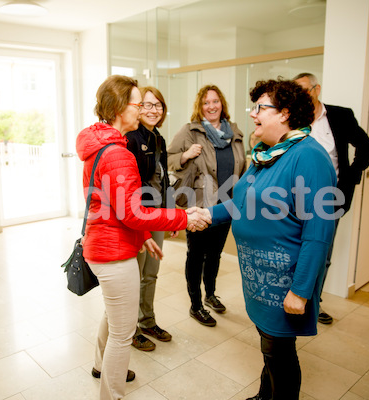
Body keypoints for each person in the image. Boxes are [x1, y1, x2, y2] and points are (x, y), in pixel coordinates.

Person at [75, 75, 210, 400]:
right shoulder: (118, 153)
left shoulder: (99, 143)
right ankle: (113, 395)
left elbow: (114, 204)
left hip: (102, 243)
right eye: (137, 103)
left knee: (112, 314)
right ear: (121, 107)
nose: (142, 109)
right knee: (123, 335)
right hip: (113, 252)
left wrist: (145, 234)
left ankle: (100, 366)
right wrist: (183, 216)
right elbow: (132, 211)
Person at [207, 78, 337, 400]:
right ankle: (265, 396)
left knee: (281, 355)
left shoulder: (309, 157)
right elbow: (241, 202)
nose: (253, 114)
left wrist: (301, 290)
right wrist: (206, 215)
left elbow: (319, 232)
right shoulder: (267, 154)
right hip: (259, 279)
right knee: (270, 349)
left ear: (285, 113)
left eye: (261, 107)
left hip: (284, 283)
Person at [293, 72, 369, 324]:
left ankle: (313, 304)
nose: (301, 97)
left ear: (317, 89)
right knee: (296, 251)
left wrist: (352, 175)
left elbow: (365, 144)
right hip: (295, 200)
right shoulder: (293, 119)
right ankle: (293, 299)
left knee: (322, 254)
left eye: (305, 90)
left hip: (330, 200)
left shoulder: (340, 116)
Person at [167, 84, 246, 327]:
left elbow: (242, 164)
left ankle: (210, 294)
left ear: (222, 104)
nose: (211, 106)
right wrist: (186, 155)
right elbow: (168, 158)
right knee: (196, 255)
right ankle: (196, 305)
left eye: (215, 101)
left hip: (226, 204)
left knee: (215, 253)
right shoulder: (190, 131)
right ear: (199, 107)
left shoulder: (234, 131)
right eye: (206, 103)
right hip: (199, 204)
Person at [125, 86, 173, 352]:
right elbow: (133, 185)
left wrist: (169, 215)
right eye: (147, 105)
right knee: (137, 273)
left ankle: (148, 320)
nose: (154, 110)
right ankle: (131, 329)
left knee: (151, 274)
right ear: (137, 108)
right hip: (139, 217)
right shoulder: (131, 138)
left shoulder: (159, 139)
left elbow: (163, 180)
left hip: (157, 215)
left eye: (158, 105)